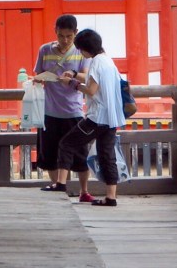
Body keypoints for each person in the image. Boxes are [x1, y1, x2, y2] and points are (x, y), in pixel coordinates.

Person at [55, 28, 125, 206]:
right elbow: (97, 83)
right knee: (107, 155)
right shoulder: (108, 61)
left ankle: (61, 184)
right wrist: (75, 73)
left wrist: (72, 83)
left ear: (86, 49)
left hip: (97, 117)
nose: (81, 53)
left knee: (66, 143)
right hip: (111, 117)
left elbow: (92, 90)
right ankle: (111, 197)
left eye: (80, 49)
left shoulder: (95, 63)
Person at [33, 14, 94, 202]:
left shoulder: (81, 52)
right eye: (61, 36)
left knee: (80, 155)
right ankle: (58, 189)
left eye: (69, 36)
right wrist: (41, 78)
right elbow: (37, 74)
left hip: (73, 111)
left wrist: (73, 76)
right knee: (49, 153)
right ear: (55, 32)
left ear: (75, 33)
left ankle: (84, 191)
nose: (65, 40)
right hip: (49, 110)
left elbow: (88, 76)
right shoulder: (44, 50)